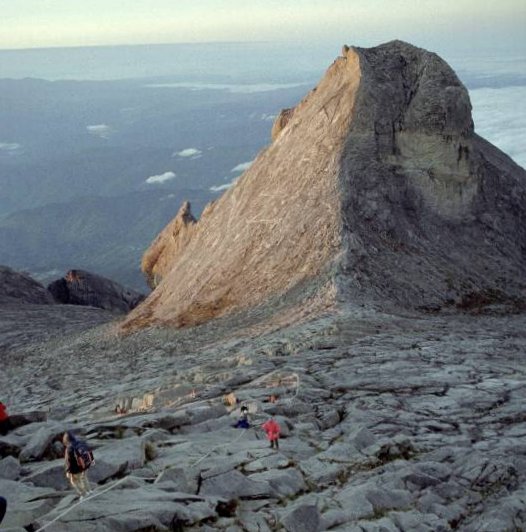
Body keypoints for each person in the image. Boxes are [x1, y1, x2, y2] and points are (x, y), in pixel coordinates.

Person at [63, 431, 93, 499]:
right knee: (84, 477)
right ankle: (89, 490)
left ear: (67, 439)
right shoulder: (80, 443)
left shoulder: (69, 448)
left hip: (76, 468)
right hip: (85, 464)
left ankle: (83, 494)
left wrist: (68, 471)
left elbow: (68, 461)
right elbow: (88, 450)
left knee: (75, 481)